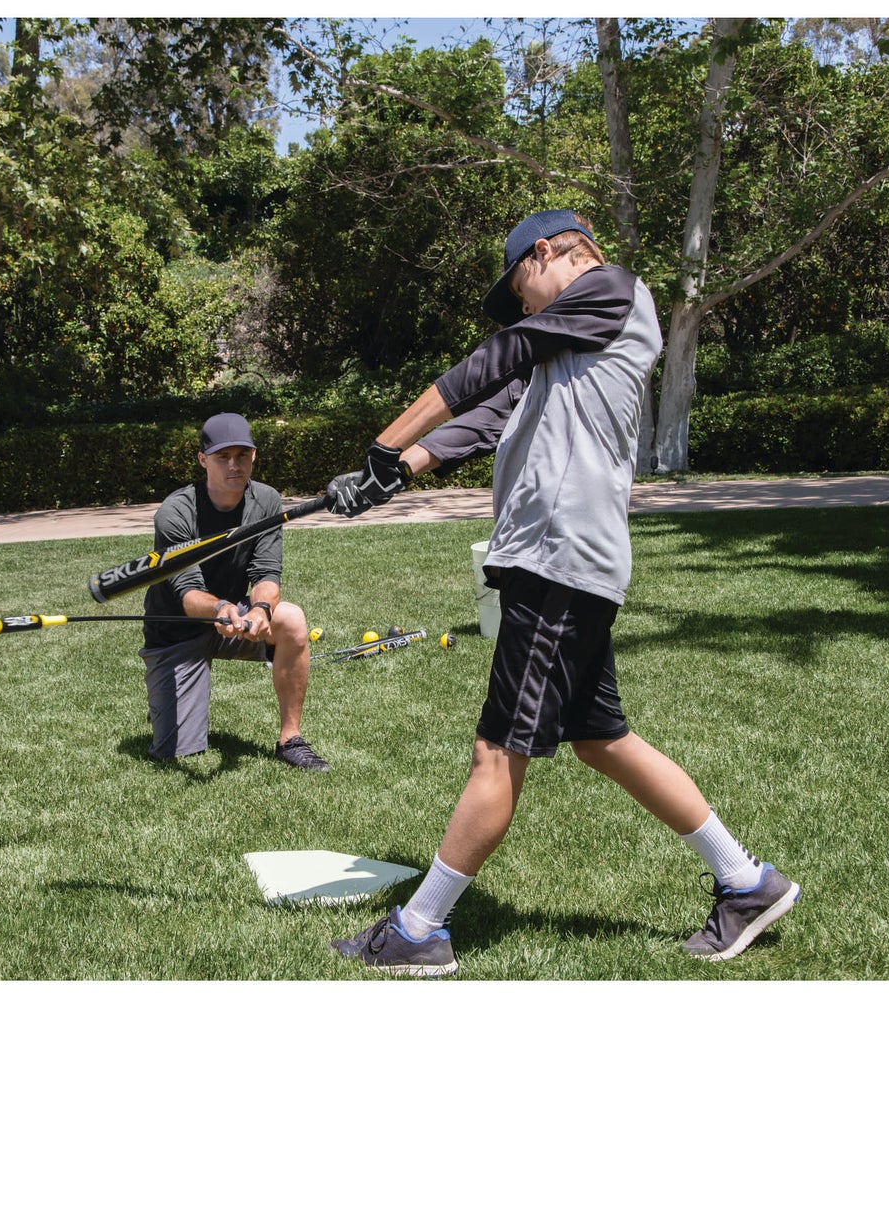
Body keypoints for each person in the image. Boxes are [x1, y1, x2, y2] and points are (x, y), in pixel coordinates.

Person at [325, 210, 799, 974]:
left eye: (522, 288)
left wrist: (383, 440)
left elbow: (501, 353)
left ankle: (419, 930)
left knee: (496, 749)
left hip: (557, 562)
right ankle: (745, 881)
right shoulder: (565, 350)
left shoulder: (610, 290)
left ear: (547, 253)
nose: (523, 309)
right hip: (561, 564)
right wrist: (388, 471)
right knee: (599, 739)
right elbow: (481, 415)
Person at [139, 412, 327, 770]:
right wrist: (222, 608)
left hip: (236, 619)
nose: (234, 465)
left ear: (253, 455)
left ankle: (290, 740)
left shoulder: (266, 500)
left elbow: (267, 573)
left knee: (290, 618)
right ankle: (168, 697)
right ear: (202, 460)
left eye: (242, 455)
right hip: (176, 633)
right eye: (223, 457)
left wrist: (259, 611)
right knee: (176, 752)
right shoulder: (175, 512)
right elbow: (189, 592)